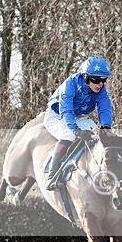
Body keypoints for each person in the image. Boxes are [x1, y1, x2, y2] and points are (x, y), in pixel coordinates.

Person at [44, 56, 113, 190]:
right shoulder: (70, 85)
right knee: (69, 136)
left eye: (103, 80)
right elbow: (66, 111)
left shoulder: (100, 89)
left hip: (79, 116)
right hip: (57, 115)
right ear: (85, 77)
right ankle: (52, 177)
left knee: (99, 137)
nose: (100, 84)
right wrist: (75, 130)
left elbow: (104, 107)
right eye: (96, 80)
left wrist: (105, 126)